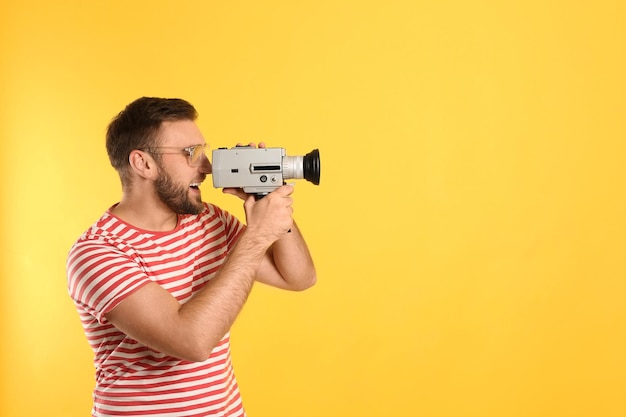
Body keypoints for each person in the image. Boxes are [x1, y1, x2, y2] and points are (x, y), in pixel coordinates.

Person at [66, 97, 317, 417]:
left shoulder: (209, 221)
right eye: (191, 154)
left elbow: (298, 277)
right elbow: (192, 342)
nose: (207, 166)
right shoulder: (97, 253)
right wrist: (256, 236)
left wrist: (264, 192)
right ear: (143, 163)